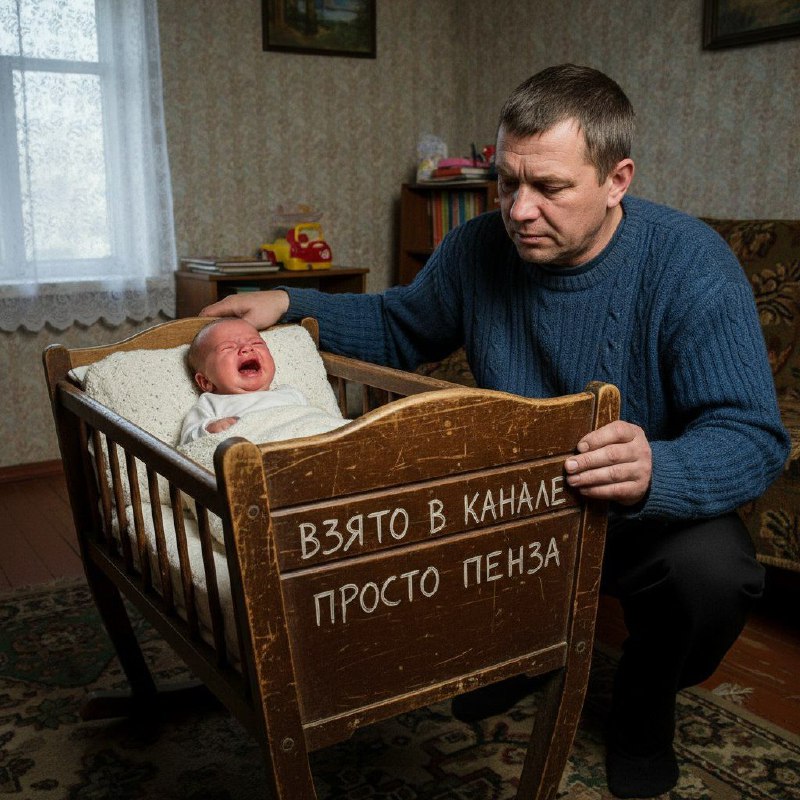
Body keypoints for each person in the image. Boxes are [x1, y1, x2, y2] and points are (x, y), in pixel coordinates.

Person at [199, 64, 789, 798]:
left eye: (550, 187)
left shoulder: (690, 262)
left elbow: (752, 434)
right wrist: (288, 302)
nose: (519, 209)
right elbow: (400, 323)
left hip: (644, 511)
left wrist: (656, 470)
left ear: (617, 180)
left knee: (717, 576)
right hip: (516, 507)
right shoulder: (477, 246)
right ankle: (523, 657)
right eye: (507, 182)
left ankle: (644, 704)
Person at [180, 317, 310, 444]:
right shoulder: (211, 403)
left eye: (256, 343)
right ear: (205, 382)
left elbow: (312, 419)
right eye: (228, 347)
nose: (247, 348)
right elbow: (188, 444)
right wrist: (210, 429)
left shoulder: (290, 393)